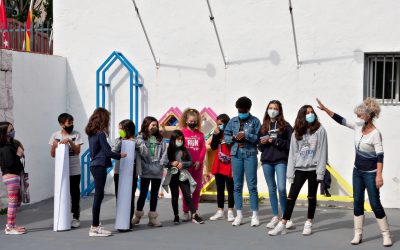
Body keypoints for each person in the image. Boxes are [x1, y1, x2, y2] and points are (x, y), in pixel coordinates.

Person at [316, 98, 393, 247]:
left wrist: (379, 175)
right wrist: (326, 110)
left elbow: (380, 156)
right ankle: (358, 234)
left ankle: (386, 234)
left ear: (369, 116)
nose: (358, 117)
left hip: (371, 174)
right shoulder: (358, 126)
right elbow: (341, 120)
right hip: (357, 172)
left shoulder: (376, 134)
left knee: (375, 203)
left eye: (360, 115)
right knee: (357, 202)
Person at [268, 105, 328, 236]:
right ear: (302, 115)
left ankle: (308, 223)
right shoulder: (297, 132)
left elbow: (323, 151)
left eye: (312, 112)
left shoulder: (320, 130)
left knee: (311, 197)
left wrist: (321, 172)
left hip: (314, 169)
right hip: (299, 168)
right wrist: (290, 173)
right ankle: (283, 223)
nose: (310, 115)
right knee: (291, 197)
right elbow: (292, 154)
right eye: (307, 113)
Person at [85, 108, 127, 237]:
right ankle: (95, 227)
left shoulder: (92, 134)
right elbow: (108, 152)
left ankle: (95, 225)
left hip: (94, 165)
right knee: (98, 196)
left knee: (99, 195)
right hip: (99, 166)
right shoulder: (100, 134)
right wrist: (121, 155)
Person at [224, 96, 261, 227]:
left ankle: (255, 215)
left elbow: (258, 139)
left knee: (252, 185)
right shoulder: (233, 121)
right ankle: (239, 214)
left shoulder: (255, 121)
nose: (241, 112)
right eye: (239, 110)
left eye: (244, 110)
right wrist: (233, 137)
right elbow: (226, 136)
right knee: (237, 185)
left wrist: (246, 135)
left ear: (249, 109)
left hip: (250, 154)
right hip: (236, 154)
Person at [258, 100, 294, 229]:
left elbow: (291, 145)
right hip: (267, 161)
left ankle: (286, 217)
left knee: (282, 189)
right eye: (270, 108)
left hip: (281, 160)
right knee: (271, 189)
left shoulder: (286, 126)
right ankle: (275, 216)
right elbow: (260, 147)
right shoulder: (263, 126)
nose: (272, 110)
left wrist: (277, 141)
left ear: (279, 111)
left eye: (275, 108)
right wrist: (264, 141)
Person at [161, 130, 204, 224]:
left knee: (187, 195)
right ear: (173, 140)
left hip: (183, 175)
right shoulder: (169, 150)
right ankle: (176, 216)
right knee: (175, 196)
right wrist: (172, 163)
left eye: (181, 139)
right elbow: (162, 162)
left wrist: (182, 164)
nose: (180, 141)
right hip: (172, 176)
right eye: (178, 139)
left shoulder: (185, 150)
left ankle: (194, 214)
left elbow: (190, 162)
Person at [131, 117, 167, 227]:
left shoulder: (161, 140)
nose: (155, 127)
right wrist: (142, 140)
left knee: (154, 194)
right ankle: (137, 216)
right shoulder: (140, 139)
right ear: (146, 126)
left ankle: (152, 218)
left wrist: (160, 165)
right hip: (146, 170)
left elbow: (164, 154)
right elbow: (143, 154)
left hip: (157, 171)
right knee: (143, 193)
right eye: (152, 125)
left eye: (156, 125)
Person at [49, 113, 83, 228]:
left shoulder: (76, 134)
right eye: (69, 123)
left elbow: (77, 151)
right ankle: (61, 216)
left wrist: (70, 141)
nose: (71, 125)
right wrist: (54, 145)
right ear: (62, 124)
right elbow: (53, 154)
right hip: (61, 170)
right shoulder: (55, 135)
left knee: (75, 193)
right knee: (61, 192)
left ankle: (75, 217)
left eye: (72, 122)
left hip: (74, 169)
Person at [112, 119, 145, 231]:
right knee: (119, 196)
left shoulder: (137, 141)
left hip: (132, 173)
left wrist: (135, 144)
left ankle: (128, 221)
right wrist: (122, 141)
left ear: (128, 129)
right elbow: (113, 151)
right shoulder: (118, 140)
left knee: (129, 197)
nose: (119, 130)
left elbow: (145, 154)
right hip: (119, 173)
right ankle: (120, 220)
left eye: (121, 128)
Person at [179, 109, 206, 221]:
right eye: (191, 121)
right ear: (186, 120)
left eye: (195, 121)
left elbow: (203, 149)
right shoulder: (182, 133)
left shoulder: (200, 134)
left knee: (197, 188)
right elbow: (178, 148)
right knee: (186, 189)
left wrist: (199, 161)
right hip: (186, 166)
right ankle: (186, 211)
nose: (193, 123)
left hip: (197, 166)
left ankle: (194, 210)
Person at [0, 121, 26, 235]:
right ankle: (9, 227)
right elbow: (10, 164)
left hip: (13, 176)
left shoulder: (9, 146)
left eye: (13, 129)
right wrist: (18, 155)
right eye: (10, 130)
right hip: (11, 177)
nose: (13, 132)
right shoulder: (5, 148)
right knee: (12, 202)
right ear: (4, 133)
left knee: (15, 202)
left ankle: (12, 224)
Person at [209, 114, 235, 222]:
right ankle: (220, 211)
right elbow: (213, 147)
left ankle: (230, 211)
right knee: (219, 188)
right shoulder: (217, 133)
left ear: (226, 124)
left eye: (221, 124)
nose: (218, 126)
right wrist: (215, 135)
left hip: (229, 163)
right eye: (217, 124)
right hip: (219, 162)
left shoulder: (232, 133)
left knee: (230, 189)